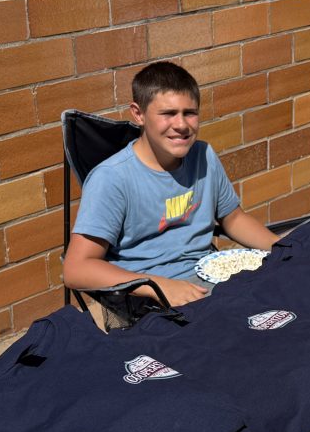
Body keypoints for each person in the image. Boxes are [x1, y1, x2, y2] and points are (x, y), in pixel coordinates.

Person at [62, 62, 279, 308]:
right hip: (154, 297)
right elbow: (76, 268)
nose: (182, 125)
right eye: (168, 114)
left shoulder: (203, 155)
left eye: (190, 112)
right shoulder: (112, 178)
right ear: (138, 114)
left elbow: (234, 219)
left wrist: (283, 249)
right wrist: (157, 285)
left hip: (214, 279)